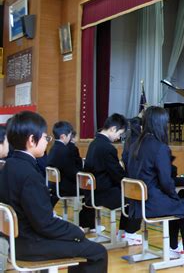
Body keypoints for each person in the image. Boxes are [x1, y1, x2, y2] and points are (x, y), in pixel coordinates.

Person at [0, 111, 107, 272]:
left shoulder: (8, 166)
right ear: (31, 140)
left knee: (80, 242)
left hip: (17, 240)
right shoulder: (28, 174)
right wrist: (75, 230)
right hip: (31, 245)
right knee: (97, 252)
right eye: (44, 137)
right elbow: (45, 224)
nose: (46, 141)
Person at [127, 106, 184, 263]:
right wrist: (173, 196)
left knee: (179, 204)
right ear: (160, 124)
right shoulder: (159, 147)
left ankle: (174, 247)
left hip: (136, 202)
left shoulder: (135, 144)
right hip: (151, 202)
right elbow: (166, 181)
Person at [83, 113, 142, 245]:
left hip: (94, 191)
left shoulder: (94, 143)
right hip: (103, 193)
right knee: (136, 194)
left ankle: (123, 232)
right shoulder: (107, 147)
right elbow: (117, 175)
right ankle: (129, 233)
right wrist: (130, 181)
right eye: (119, 134)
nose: (118, 138)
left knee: (129, 191)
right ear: (112, 129)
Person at [47, 121, 82, 206]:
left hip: (54, 185)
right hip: (64, 187)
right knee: (91, 189)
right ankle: (84, 217)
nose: (70, 138)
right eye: (69, 136)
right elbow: (72, 173)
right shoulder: (64, 150)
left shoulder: (53, 148)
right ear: (63, 136)